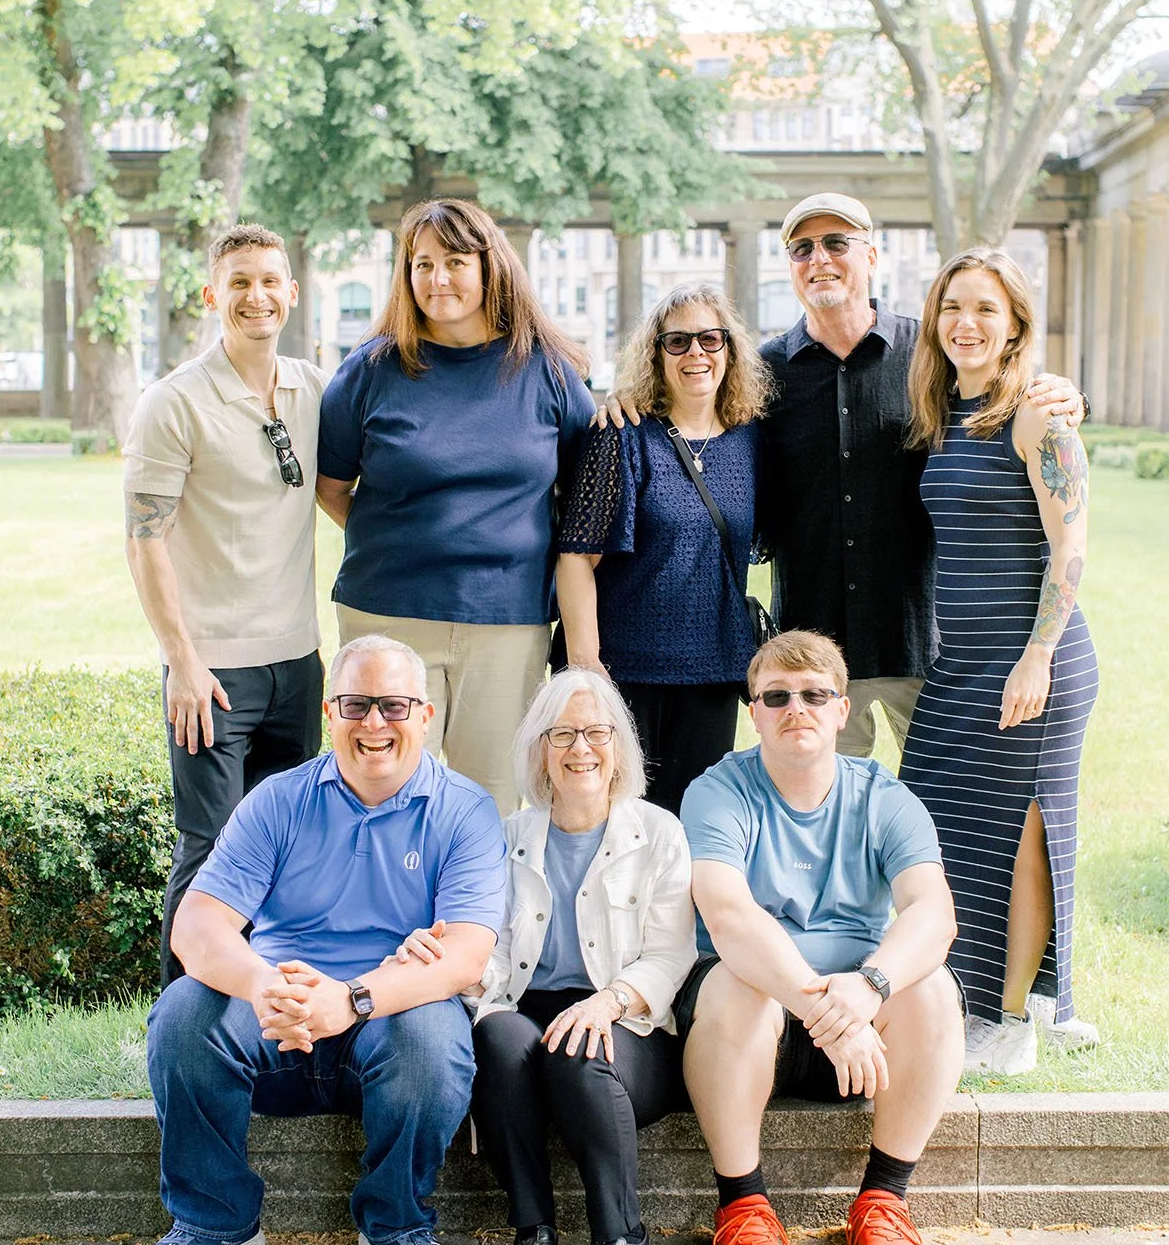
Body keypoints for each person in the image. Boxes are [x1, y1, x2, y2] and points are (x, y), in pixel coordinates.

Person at [607, 194, 1087, 764]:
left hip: (925, 641)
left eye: (837, 243)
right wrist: (627, 396)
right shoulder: (760, 374)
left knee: (941, 819)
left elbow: (1003, 388)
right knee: (829, 821)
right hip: (815, 653)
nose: (820, 259)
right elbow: (693, 399)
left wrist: (1073, 397)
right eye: (802, 249)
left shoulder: (929, 354)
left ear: (872, 255)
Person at [131, 635, 506, 1245]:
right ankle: (214, 1223)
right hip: (277, 1016)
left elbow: (466, 954)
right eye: (356, 704)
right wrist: (263, 983)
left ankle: (397, 1225)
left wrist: (354, 999)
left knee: (431, 1037)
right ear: (330, 714)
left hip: (384, 1022)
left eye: (393, 705)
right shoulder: (280, 800)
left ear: (425, 715)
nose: (374, 724)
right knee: (186, 1013)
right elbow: (196, 926)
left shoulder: (464, 810)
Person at [677, 629, 964, 1245]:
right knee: (732, 987)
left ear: (842, 708)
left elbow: (932, 912)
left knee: (932, 991)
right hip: (756, 1027)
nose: (795, 709)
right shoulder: (718, 791)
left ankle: (883, 1201)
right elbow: (727, 916)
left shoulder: (883, 797)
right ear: (754, 713)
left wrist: (867, 991)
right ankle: (743, 1206)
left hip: (859, 1031)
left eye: (814, 694)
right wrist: (820, 1007)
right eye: (775, 697)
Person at [316, 199, 595, 813]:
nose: (436, 279)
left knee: (490, 801)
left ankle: (478, 915)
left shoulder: (547, 372)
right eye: (421, 264)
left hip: (507, 620)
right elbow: (331, 485)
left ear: (489, 267)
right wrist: (410, 540)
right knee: (378, 792)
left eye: (454, 262)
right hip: (387, 615)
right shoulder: (370, 371)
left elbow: (583, 502)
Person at [898, 250, 1099, 1075]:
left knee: (1021, 833)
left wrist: (1039, 656)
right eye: (952, 307)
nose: (966, 324)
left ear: (1016, 322)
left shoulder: (1035, 417)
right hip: (962, 662)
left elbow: (1071, 545)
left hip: (1033, 659)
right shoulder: (945, 411)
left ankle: (1010, 1021)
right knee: (947, 826)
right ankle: (992, 996)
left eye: (985, 309)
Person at [447, 670, 695, 1245]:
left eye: (595, 732)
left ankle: (622, 1239)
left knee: (582, 1048)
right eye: (563, 734)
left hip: (630, 1022)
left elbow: (671, 956)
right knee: (498, 1040)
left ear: (619, 748)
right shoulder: (507, 838)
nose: (580, 747)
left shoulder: (659, 833)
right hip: (528, 1011)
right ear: (540, 751)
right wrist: (474, 975)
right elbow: (493, 953)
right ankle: (533, 1234)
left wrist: (607, 1002)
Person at [123, 223, 326, 989]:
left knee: (290, 848)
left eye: (270, 280)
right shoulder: (173, 403)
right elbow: (145, 540)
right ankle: (178, 1024)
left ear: (292, 293)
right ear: (213, 296)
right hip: (214, 674)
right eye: (239, 282)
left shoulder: (312, 388)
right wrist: (181, 660)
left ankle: (263, 1010)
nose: (256, 296)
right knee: (209, 850)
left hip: (298, 665)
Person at [556, 284, 771, 813]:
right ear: (656, 355)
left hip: (714, 669)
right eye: (677, 342)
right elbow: (576, 556)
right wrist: (586, 665)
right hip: (624, 669)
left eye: (709, 339)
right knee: (609, 815)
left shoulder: (753, 442)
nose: (696, 353)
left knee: (690, 824)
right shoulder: (623, 435)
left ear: (730, 349)